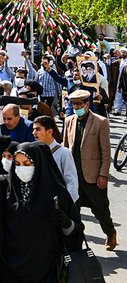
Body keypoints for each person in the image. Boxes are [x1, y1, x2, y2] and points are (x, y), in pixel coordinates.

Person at [0, 137, 83, 283]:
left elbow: (75, 232)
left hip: (46, 270)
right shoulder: (6, 187)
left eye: (26, 164)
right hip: (10, 267)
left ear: (37, 164)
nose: (21, 168)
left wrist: (66, 223)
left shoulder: (55, 192)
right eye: (17, 164)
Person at [63, 88, 117, 250]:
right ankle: (76, 241)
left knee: (100, 209)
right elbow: (65, 147)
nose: (76, 107)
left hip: (93, 176)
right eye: (74, 104)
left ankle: (110, 232)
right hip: (74, 174)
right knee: (73, 210)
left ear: (87, 104)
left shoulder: (101, 122)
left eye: (79, 104)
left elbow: (106, 152)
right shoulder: (69, 121)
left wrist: (103, 175)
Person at [32, 115, 78, 201]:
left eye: (38, 129)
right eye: (33, 129)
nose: (34, 133)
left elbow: (71, 181)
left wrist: (66, 204)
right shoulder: (35, 152)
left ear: (49, 131)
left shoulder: (64, 153)